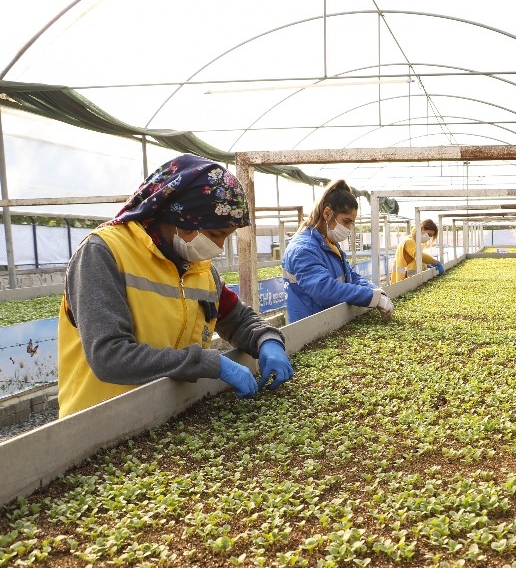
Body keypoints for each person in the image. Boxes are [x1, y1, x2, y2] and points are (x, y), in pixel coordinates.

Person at [58, 154, 294, 418]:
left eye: (226, 237)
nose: (218, 247)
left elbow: (238, 319)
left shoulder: (200, 269)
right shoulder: (102, 253)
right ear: (180, 216)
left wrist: (266, 339)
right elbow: (109, 356)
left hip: (167, 416)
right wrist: (208, 363)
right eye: (215, 234)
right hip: (96, 426)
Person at [282, 180, 393, 323]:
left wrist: (374, 290)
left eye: (351, 223)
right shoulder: (303, 249)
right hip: (309, 330)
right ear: (327, 213)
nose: (348, 228)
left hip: (331, 324)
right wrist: (369, 297)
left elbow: (350, 276)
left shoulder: (329, 243)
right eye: (346, 221)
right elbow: (324, 290)